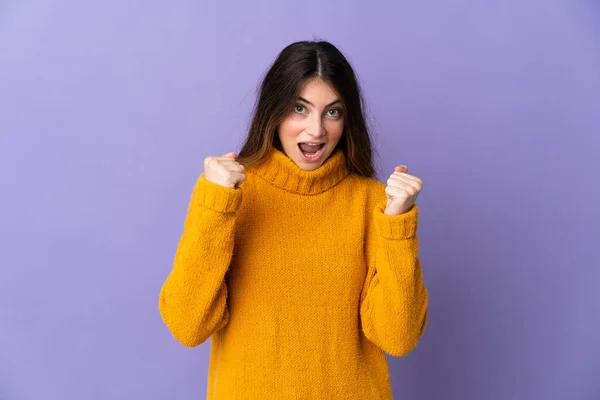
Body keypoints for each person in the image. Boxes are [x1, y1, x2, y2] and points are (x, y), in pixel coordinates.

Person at [158, 40, 428, 399]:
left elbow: (399, 337)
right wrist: (216, 205)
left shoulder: (375, 203)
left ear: (348, 120)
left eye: (332, 112)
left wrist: (397, 226)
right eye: (300, 109)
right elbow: (187, 325)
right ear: (274, 110)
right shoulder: (229, 193)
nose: (316, 130)